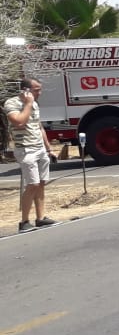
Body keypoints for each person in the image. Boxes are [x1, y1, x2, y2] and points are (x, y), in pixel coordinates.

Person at [3, 77, 57, 233]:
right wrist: (27, 103)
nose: (39, 92)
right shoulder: (12, 103)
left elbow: (39, 127)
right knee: (32, 184)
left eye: (40, 89)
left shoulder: (35, 104)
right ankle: (24, 222)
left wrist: (48, 149)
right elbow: (18, 122)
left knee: (41, 183)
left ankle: (41, 218)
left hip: (40, 148)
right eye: (36, 89)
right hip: (25, 149)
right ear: (26, 90)